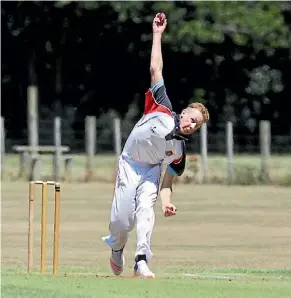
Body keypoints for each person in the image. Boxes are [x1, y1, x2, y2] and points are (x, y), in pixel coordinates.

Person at [102, 13, 209, 279]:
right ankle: (117, 247)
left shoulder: (179, 151)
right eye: (191, 120)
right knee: (121, 220)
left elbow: (168, 182)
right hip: (129, 163)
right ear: (183, 112)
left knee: (145, 212)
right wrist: (158, 35)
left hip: (151, 171)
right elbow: (155, 69)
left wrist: (167, 203)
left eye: (196, 126)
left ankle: (141, 260)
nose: (191, 125)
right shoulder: (161, 106)